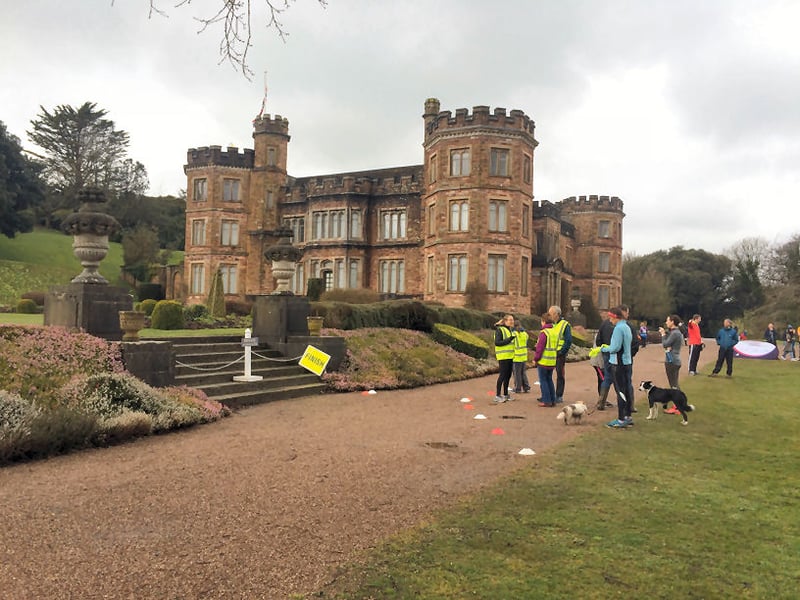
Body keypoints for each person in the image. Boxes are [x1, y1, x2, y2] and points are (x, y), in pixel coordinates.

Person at [601, 306, 633, 428]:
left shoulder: (618, 329)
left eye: (610, 318)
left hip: (618, 363)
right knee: (626, 390)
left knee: (620, 391)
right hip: (627, 362)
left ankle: (621, 419)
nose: (610, 321)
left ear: (615, 317)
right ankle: (628, 416)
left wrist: (603, 348)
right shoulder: (627, 327)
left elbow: (615, 348)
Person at [548, 305, 572, 404]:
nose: (549, 316)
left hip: (559, 354)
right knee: (547, 375)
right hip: (550, 353)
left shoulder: (565, 325)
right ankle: (548, 394)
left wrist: (562, 352)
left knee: (560, 374)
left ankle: (559, 395)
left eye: (551, 314)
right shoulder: (552, 324)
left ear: (556, 314)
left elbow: (568, 340)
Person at [532, 312, 557, 407]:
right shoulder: (554, 331)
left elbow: (540, 348)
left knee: (543, 381)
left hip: (544, 360)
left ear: (543, 321)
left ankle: (546, 400)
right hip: (552, 360)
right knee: (549, 380)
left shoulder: (544, 333)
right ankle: (553, 399)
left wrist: (536, 359)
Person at [593, 310, 616, 411]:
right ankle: (601, 400)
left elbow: (598, 342)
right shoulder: (614, 326)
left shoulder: (604, 325)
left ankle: (601, 401)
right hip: (605, 357)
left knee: (605, 379)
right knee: (607, 379)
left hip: (604, 356)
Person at [493, 314, 516, 402]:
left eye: (512, 320)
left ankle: (506, 394)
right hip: (503, 357)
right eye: (510, 320)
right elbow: (497, 343)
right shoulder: (500, 330)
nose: (512, 321)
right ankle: (497, 395)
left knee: (508, 376)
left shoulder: (510, 330)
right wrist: (510, 339)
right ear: (505, 321)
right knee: (502, 375)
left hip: (509, 356)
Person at [659, 314, 684, 390]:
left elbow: (665, 344)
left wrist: (663, 334)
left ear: (672, 322)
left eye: (667, 320)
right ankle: (679, 400)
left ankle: (678, 401)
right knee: (674, 384)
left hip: (671, 360)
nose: (666, 322)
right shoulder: (675, 332)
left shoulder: (675, 333)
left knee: (673, 385)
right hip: (674, 359)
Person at [512, 320, 531, 393]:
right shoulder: (525, 334)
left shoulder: (514, 334)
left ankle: (518, 388)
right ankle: (526, 387)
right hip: (523, 356)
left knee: (517, 374)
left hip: (516, 356)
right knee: (523, 373)